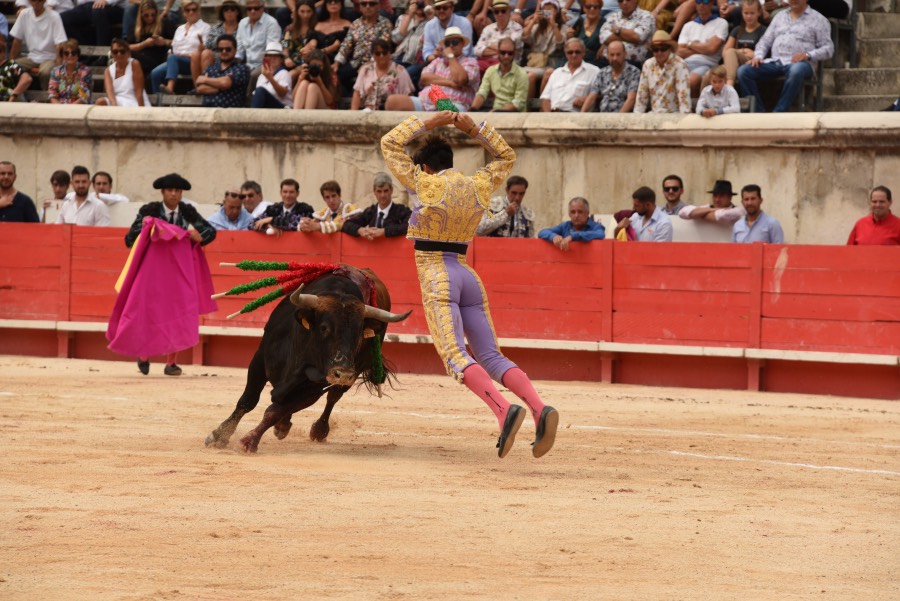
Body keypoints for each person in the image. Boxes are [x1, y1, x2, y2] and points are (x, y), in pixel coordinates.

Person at [381, 110, 559, 459]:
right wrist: (473, 128)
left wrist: (431, 121)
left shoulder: (427, 184)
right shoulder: (478, 184)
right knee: (491, 355)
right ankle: (539, 408)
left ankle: (502, 411)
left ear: (428, 167)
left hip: (437, 274)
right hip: (467, 275)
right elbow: (507, 155)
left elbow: (390, 142)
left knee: (454, 356)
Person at [119, 173, 217, 377]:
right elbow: (130, 239)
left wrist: (199, 236)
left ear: (181, 193)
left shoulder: (187, 211)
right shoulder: (150, 211)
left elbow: (210, 232)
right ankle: (144, 354)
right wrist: (146, 226)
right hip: (152, 272)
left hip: (177, 272)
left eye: (177, 191)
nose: (174, 194)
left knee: (177, 313)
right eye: (170, 190)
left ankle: (171, 363)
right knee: (148, 311)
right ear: (162, 192)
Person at [737, 0, 833, 113]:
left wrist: (808, 55)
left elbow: (829, 49)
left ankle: (779, 112)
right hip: (776, 62)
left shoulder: (819, 19)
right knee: (743, 71)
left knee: (796, 70)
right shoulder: (780, 16)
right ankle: (759, 112)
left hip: (801, 64)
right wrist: (758, 56)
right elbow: (765, 41)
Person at [385, 26, 480, 112]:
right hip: (425, 102)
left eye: (455, 42)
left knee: (445, 111)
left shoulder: (470, 62)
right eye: (447, 43)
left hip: (452, 104)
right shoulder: (437, 61)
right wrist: (450, 83)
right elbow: (424, 78)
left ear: (462, 44)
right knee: (392, 101)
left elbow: (460, 80)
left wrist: (451, 57)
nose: (451, 46)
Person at [333, 0, 392, 93]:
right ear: (360, 7)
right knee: (334, 75)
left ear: (378, 6)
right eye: (364, 4)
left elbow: (382, 47)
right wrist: (336, 63)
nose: (368, 6)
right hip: (356, 63)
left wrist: (367, 66)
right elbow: (346, 44)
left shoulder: (385, 24)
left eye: (372, 4)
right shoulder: (356, 24)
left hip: (376, 63)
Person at [152, 0, 210, 95]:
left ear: (199, 11)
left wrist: (183, 55)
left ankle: (170, 88)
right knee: (155, 73)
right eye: (187, 10)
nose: (191, 12)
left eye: (194, 9)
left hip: (192, 61)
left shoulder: (205, 27)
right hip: (175, 61)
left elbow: (205, 48)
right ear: (183, 13)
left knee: (173, 58)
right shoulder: (180, 29)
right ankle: (159, 103)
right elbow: (174, 47)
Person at [8, 0, 68, 90]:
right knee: (9, 68)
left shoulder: (54, 16)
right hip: (31, 57)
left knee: (45, 72)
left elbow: (59, 45)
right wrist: (11, 62)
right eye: (33, 0)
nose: (36, 3)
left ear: (44, 1)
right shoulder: (24, 14)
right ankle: (17, 96)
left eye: (39, 1)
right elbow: (17, 40)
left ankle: (47, 98)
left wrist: (58, 67)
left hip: (50, 57)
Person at [675, 0, 727, 97]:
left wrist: (690, 44)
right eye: (698, 1)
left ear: (712, 3)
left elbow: (712, 49)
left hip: (707, 64)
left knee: (692, 81)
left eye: (705, 1)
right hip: (685, 63)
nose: (701, 5)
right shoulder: (688, 25)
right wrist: (704, 46)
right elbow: (680, 51)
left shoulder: (721, 23)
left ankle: (693, 109)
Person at [342, 172, 412, 239]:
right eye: (379, 191)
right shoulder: (370, 212)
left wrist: (384, 231)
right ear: (374, 192)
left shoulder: (401, 211)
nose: (382, 195)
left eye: (385, 191)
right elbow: (347, 224)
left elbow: (411, 226)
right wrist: (360, 230)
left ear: (391, 190)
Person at [633, 30, 690, 114]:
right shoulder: (648, 65)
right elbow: (642, 96)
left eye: (663, 49)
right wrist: (636, 118)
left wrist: (684, 120)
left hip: (674, 115)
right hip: (654, 114)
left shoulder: (680, 65)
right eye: (655, 50)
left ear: (670, 49)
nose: (659, 53)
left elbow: (683, 96)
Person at [351, 39, 415, 111]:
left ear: (389, 53)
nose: (381, 56)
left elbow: (408, 95)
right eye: (378, 53)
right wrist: (354, 114)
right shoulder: (366, 70)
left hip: (391, 112)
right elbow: (357, 93)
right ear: (373, 55)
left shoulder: (400, 70)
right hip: (368, 112)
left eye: (384, 53)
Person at [714, 0, 766, 88]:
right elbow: (725, 53)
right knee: (710, 74)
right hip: (733, 61)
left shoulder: (763, 31)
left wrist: (743, 53)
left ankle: (730, 87)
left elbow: (763, 52)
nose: (749, 16)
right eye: (746, 13)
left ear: (759, 13)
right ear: (742, 13)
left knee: (731, 52)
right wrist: (743, 50)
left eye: (752, 13)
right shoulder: (737, 30)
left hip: (752, 62)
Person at [471, 37, 528, 112]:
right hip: (495, 113)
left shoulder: (522, 74)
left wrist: (496, 111)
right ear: (498, 52)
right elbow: (482, 93)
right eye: (503, 52)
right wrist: (473, 109)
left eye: (510, 53)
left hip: (516, 115)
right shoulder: (491, 71)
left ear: (514, 54)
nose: (506, 56)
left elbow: (518, 103)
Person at [540, 38, 598, 112]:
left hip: (576, 116)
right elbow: (545, 98)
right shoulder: (556, 73)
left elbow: (602, 93)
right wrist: (549, 117)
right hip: (553, 115)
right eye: (570, 52)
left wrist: (587, 98)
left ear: (584, 52)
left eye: (577, 52)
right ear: (565, 54)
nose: (574, 55)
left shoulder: (594, 71)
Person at [581, 39, 640, 112]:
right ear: (607, 56)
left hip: (623, 118)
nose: (615, 58)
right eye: (612, 55)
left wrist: (617, 120)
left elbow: (631, 99)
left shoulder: (634, 72)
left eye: (618, 54)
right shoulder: (602, 73)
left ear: (625, 55)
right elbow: (592, 97)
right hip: (602, 116)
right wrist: (581, 115)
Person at [129, 0, 177, 88]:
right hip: (141, 58)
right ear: (141, 15)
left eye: (153, 15)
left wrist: (164, 41)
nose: (150, 18)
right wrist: (144, 44)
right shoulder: (136, 27)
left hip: (157, 58)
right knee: (129, 55)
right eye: (146, 16)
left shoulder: (164, 23)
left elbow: (176, 42)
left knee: (131, 58)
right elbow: (128, 47)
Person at [192, 0, 242, 85]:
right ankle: (198, 86)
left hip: (233, 56)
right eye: (226, 9)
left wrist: (220, 42)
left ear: (237, 12)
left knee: (206, 53)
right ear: (222, 12)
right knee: (198, 53)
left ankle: (205, 85)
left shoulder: (242, 27)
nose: (229, 12)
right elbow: (208, 44)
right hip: (216, 55)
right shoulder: (215, 28)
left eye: (232, 9)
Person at [522, 0, 565, 97]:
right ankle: (528, 105)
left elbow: (560, 43)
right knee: (530, 75)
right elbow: (524, 37)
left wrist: (553, 24)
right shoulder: (537, 27)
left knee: (546, 73)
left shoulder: (562, 27)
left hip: (552, 62)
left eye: (551, 9)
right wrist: (533, 20)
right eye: (545, 10)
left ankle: (542, 103)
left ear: (557, 11)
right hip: (535, 63)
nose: (548, 12)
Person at [197, 34, 251, 108]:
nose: (224, 51)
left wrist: (205, 80)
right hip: (207, 112)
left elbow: (225, 83)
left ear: (235, 51)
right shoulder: (211, 68)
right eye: (221, 49)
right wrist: (221, 86)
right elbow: (200, 88)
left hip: (230, 114)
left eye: (228, 49)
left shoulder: (242, 69)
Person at [596, 0, 655, 66]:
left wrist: (618, 30)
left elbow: (638, 37)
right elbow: (603, 37)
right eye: (620, 0)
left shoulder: (647, 16)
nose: (624, 3)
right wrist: (628, 36)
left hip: (633, 63)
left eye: (628, 0)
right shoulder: (613, 17)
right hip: (607, 61)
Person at [236, 0, 282, 85]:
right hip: (247, 64)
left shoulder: (271, 23)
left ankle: (249, 97)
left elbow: (271, 51)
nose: (253, 11)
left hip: (264, 64)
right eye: (249, 9)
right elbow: (239, 49)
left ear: (263, 8)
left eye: (256, 8)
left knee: (253, 75)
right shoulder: (242, 23)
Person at [250, 178, 314, 235]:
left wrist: (271, 219)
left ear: (297, 193)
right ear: (280, 193)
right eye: (285, 192)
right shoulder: (273, 209)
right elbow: (252, 224)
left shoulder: (305, 209)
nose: (288, 195)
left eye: (291, 192)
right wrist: (267, 226)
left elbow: (295, 224)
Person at [473, 0, 524, 71]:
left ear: (509, 12)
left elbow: (509, 50)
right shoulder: (488, 29)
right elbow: (477, 50)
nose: (500, 14)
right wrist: (501, 50)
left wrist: (490, 46)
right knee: (472, 65)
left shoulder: (517, 28)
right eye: (496, 12)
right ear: (493, 14)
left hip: (508, 64)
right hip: (487, 62)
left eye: (503, 11)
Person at [538, 196, 606, 250]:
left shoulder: (595, 226)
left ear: (587, 213)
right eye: (573, 212)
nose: (576, 216)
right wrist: (553, 236)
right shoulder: (565, 226)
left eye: (580, 212)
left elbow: (600, 234)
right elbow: (542, 232)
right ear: (569, 214)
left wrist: (573, 236)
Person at [101, 38, 151, 107]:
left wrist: (141, 111)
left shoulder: (134, 64)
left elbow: (139, 92)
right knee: (100, 102)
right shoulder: (108, 71)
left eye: (122, 51)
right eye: (115, 52)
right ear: (112, 54)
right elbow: (110, 94)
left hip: (134, 101)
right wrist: (114, 107)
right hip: (117, 101)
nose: (119, 54)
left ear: (128, 53)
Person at [282, 0, 322, 83]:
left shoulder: (317, 28)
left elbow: (312, 48)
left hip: (308, 62)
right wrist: (287, 58)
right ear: (297, 12)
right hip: (290, 62)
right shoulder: (289, 29)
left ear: (313, 12)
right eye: (302, 11)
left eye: (308, 11)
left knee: (291, 75)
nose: (305, 15)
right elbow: (285, 47)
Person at [61, 0, 126, 49]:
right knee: (62, 18)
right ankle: (86, 50)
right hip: (87, 6)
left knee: (98, 11)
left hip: (114, 6)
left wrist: (106, 1)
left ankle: (102, 54)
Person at [678, 179, 746, 225]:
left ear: (730, 197)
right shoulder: (708, 208)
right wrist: (713, 209)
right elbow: (682, 212)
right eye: (715, 196)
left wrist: (699, 214)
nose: (717, 199)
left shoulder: (738, 210)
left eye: (721, 196)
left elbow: (722, 216)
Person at [48, 39, 92, 104]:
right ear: (62, 56)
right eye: (66, 53)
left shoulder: (85, 72)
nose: (70, 55)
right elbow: (52, 94)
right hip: (59, 108)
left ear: (77, 55)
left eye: (73, 53)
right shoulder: (56, 71)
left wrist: (69, 110)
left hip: (79, 109)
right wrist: (60, 109)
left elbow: (84, 96)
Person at [251, 42, 293, 108]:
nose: (272, 58)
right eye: (269, 55)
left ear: (281, 59)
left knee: (260, 90)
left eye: (276, 55)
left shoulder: (284, 73)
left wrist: (270, 78)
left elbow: (282, 93)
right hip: (265, 108)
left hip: (281, 108)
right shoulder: (261, 76)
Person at [568, 0, 604, 67]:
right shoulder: (580, 20)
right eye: (588, 6)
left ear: (600, 9)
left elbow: (610, 38)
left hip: (594, 60)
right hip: (575, 57)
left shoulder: (604, 23)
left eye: (595, 7)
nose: (592, 9)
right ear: (584, 8)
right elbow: (573, 38)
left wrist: (605, 44)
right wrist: (570, 36)